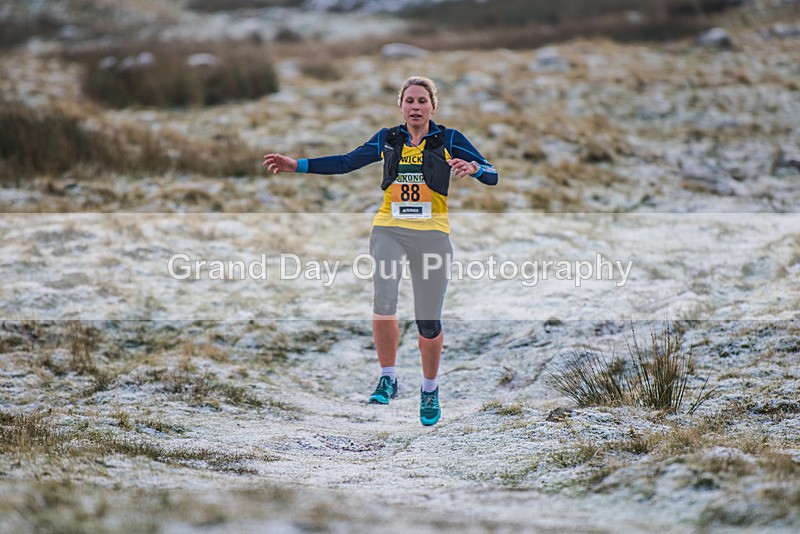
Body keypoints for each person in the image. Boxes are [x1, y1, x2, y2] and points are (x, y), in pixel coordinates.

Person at [263, 76, 498, 426]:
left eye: (422, 101)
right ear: (400, 106)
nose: (415, 107)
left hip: (432, 235)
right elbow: (345, 162)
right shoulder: (388, 139)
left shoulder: (449, 139)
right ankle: (388, 377)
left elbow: (493, 174)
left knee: (428, 320)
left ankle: (429, 389)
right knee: (384, 299)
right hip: (389, 229)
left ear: (433, 106)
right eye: (409, 101)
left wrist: (475, 168)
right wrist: (298, 164)